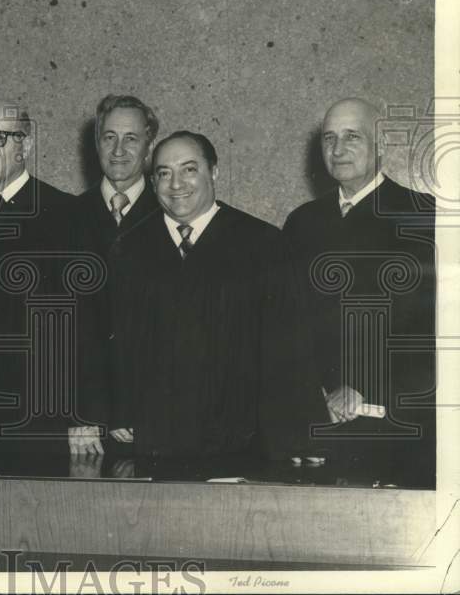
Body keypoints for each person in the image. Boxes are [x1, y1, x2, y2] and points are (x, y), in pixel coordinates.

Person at [108, 131, 319, 460]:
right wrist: (119, 407)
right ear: (152, 181)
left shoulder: (263, 244)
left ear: (214, 172)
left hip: (242, 437)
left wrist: (297, 434)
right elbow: (116, 339)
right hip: (156, 435)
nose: (176, 184)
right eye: (164, 173)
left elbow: (289, 346)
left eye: (189, 169)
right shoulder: (130, 249)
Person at [283, 98, 436, 480]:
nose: (337, 150)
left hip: (396, 422)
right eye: (329, 138)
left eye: (352, 137)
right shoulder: (302, 223)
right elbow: (288, 321)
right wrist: (311, 395)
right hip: (319, 420)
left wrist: (361, 385)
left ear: (379, 141)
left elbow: (423, 323)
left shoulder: (420, 215)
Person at [0, 98, 75, 461]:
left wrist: (81, 416)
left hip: (40, 415)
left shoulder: (64, 214)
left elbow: (83, 325)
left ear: (27, 144)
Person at [69, 95, 162, 455]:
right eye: (109, 137)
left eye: (131, 138)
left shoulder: (173, 216)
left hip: (153, 420)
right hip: (84, 430)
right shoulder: (65, 218)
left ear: (149, 145)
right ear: (96, 143)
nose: (119, 149)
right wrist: (79, 412)